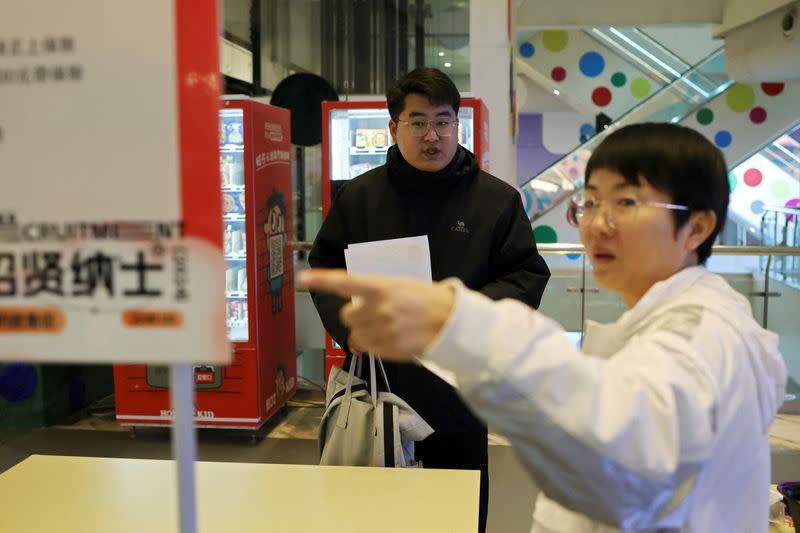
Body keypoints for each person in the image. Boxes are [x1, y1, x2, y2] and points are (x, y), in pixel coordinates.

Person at [300, 123, 788, 533]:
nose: (598, 223)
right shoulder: (685, 315)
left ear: (697, 228)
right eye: (591, 203)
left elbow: (621, 448)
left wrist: (462, 325)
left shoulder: (701, 335)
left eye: (626, 203)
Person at [308, 67, 550, 532]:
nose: (432, 135)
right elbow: (326, 268)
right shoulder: (359, 198)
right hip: (380, 385)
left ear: (457, 125)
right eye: (418, 122)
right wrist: (349, 327)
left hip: (459, 390)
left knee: (456, 512)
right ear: (393, 127)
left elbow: (526, 273)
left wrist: (461, 317)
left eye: (443, 121)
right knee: (375, 515)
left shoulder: (496, 201)